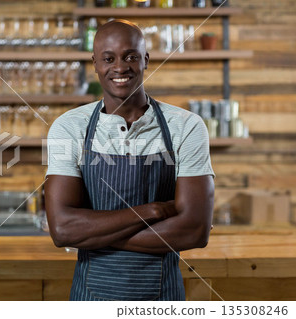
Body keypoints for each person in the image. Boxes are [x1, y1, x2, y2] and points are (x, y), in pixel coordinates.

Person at [44, 19, 214, 301]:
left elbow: (195, 231)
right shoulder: (69, 127)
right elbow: (63, 230)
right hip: (90, 300)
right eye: (108, 58)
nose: (120, 67)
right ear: (95, 63)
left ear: (146, 60)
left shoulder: (187, 127)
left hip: (162, 299)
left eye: (131, 57)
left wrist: (93, 236)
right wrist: (153, 212)